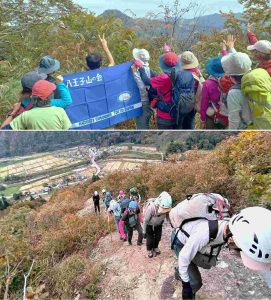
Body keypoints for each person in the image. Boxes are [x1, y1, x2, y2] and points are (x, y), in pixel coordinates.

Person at [171, 205, 271, 299]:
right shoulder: (204, 234)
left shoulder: (233, 232)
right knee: (195, 282)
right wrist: (186, 285)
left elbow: (262, 265)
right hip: (179, 243)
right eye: (242, 253)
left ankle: (181, 271)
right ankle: (181, 277)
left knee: (196, 263)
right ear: (231, 240)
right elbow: (184, 257)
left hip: (192, 243)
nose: (239, 256)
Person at [1, 71, 72, 129]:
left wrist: (13, 112)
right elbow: (66, 101)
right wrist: (60, 84)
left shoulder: (22, 104)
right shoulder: (54, 107)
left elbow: (4, 130)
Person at [137, 52, 182, 129]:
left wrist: (141, 69)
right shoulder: (180, 74)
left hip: (164, 116)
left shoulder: (164, 78)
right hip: (177, 113)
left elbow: (146, 81)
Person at [221, 52, 253, 129]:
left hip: (251, 126)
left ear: (231, 77)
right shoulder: (261, 77)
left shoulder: (234, 93)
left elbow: (234, 120)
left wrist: (231, 134)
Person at [200, 57, 228, 129]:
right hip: (229, 114)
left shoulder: (207, 84)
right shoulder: (230, 79)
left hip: (214, 115)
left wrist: (202, 118)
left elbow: (204, 103)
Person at [179, 51, 205, 129]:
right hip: (193, 103)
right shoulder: (196, 74)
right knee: (190, 122)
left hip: (180, 103)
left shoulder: (179, 74)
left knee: (180, 122)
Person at [143, 192, 173, 258]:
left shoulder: (166, 207)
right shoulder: (151, 208)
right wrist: (144, 231)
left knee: (158, 237)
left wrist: (171, 223)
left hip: (159, 224)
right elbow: (145, 220)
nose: (164, 210)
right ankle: (149, 250)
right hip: (149, 225)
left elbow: (168, 215)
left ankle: (155, 247)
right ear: (159, 203)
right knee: (150, 239)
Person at [132, 48, 155, 129]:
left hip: (142, 101)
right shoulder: (148, 69)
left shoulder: (138, 70)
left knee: (142, 126)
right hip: (147, 100)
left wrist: (134, 72)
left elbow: (142, 87)